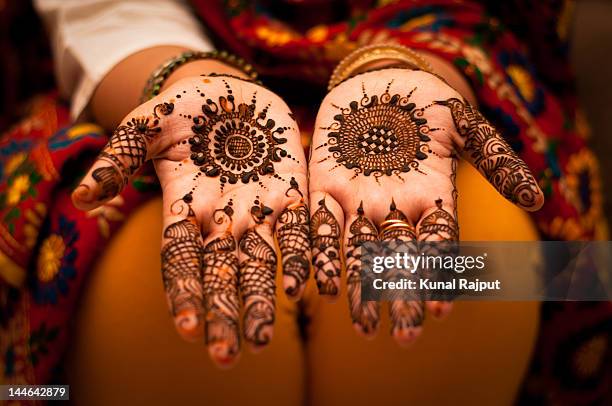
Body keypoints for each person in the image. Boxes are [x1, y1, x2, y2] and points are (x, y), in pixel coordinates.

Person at [0, 1, 609, 405]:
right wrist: (193, 82)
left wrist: (404, 69)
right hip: (139, 85)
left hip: (454, 79)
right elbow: (107, 11)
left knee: (475, 258)